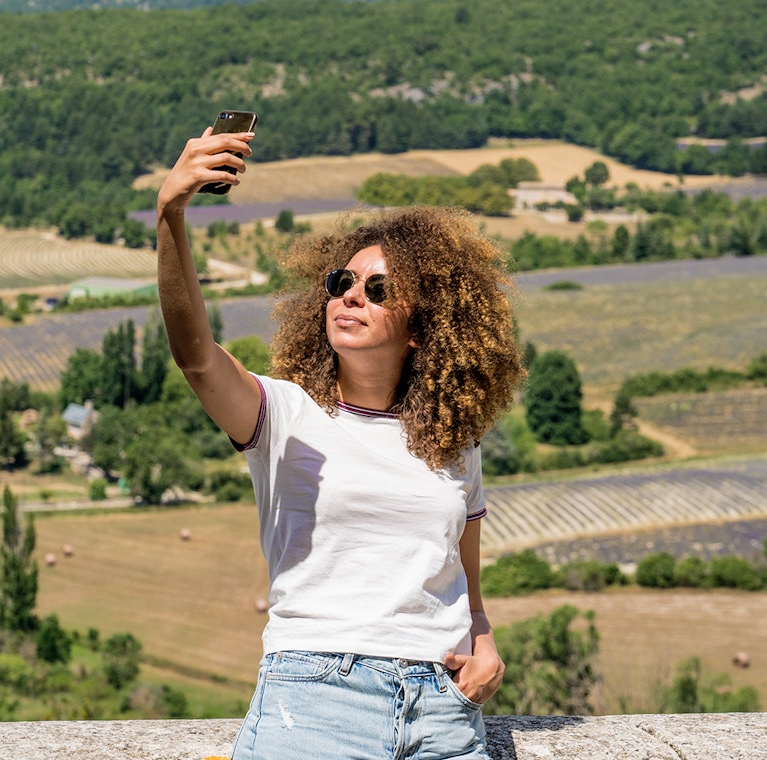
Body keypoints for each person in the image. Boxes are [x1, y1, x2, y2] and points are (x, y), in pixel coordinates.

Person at [156, 124, 527, 759]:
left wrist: (485, 640)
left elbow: (461, 569)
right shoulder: (283, 415)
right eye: (341, 283)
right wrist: (171, 215)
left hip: (443, 706)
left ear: (419, 328)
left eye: (378, 290)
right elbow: (195, 357)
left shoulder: (452, 442)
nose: (351, 296)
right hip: (316, 699)